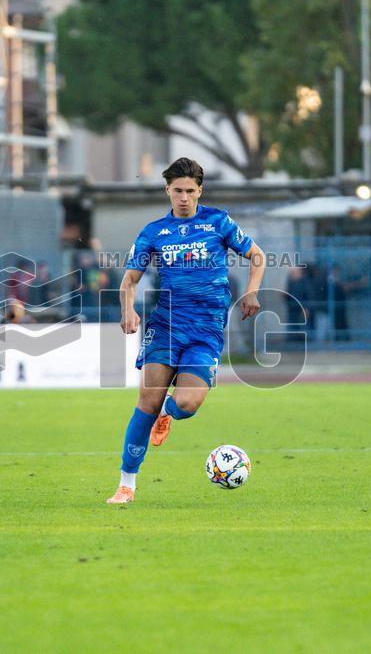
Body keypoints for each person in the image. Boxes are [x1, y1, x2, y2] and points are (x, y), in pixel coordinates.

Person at [106, 158, 265, 505]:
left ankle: (169, 413)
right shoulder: (153, 232)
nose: (183, 197)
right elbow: (129, 280)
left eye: (190, 191)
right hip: (165, 326)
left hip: (205, 330)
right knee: (145, 402)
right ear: (167, 190)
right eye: (177, 190)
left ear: (200, 191)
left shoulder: (218, 222)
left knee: (187, 404)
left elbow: (256, 255)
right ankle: (126, 485)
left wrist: (252, 291)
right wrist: (127, 308)